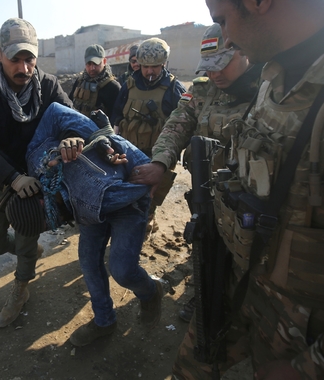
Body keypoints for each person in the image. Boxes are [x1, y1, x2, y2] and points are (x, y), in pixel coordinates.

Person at [170, 0, 324, 379]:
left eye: (222, 19)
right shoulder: (274, 71)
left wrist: (314, 368)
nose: (225, 37)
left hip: (312, 348)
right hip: (238, 300)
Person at [129, 23, 262, 322]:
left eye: (222, 65)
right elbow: (177, 124)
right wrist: (160, 162)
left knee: (245, 257)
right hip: (207, 192)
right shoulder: (203, 89)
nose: (215, 74)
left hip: (250, 199)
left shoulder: (269, 90)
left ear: (244, 53)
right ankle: (203, 292)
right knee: (206, 243)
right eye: (209, 67)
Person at [6, 102, 163, 346]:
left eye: (50, 221)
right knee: (89, 264)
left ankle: (150, 293)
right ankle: (104, 321)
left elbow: (57, 111)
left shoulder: (36, 156)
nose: (52, 227)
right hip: (91, 208)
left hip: (126, 205)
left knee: (122, 270)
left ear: (38, 196)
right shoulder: (73, 203)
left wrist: (85, 136)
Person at [0, 18, 73, 329]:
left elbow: (71, 120)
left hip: (35, 183)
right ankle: (30, 252)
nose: (23, 68)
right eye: (15, 59)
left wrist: (73, 137)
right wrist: (12, 177)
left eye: (29, 59)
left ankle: (21, 286)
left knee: (24, 237)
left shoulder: (47, 86)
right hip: (1, 179)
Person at [112, 37, 187, 226]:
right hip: (129, 153)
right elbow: (117, 116)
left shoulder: (173, 89)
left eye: (155, 66)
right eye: (146, 67)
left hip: (156, 157)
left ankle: (146, 223)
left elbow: (183, 126)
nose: (150, 71)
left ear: (163, 64)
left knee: (149, 201)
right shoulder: (128, 86)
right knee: (127, 198)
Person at [69, 44, 121, 120]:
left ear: (104, 61)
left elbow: (116, 119)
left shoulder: (112, 87)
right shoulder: (79, 82)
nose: (92, 68)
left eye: (96, 64)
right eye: (89, 64)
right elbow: (69, 105)